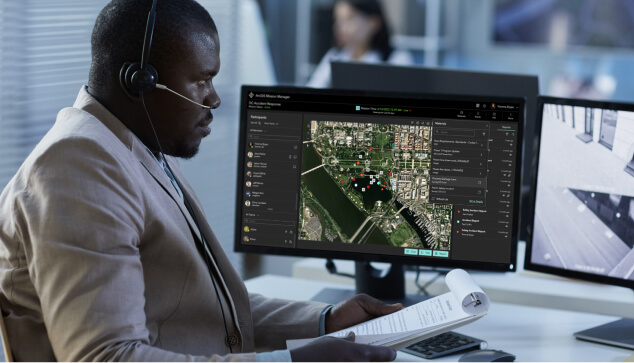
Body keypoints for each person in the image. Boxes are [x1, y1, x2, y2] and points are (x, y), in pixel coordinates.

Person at [0, 0, 402, 361]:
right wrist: (295, 362)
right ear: (139, 82)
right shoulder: (77, 168)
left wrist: (325, 321)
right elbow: (107, 357)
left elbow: (205, 308)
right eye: (201, 80)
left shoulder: (131, 145)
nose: (213, 99)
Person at [307, 0, 414, 88]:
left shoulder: (397, 59)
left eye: (349, 19)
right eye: (337, 20)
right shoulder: (334, 56)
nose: (339, 27)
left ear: (374, 22)